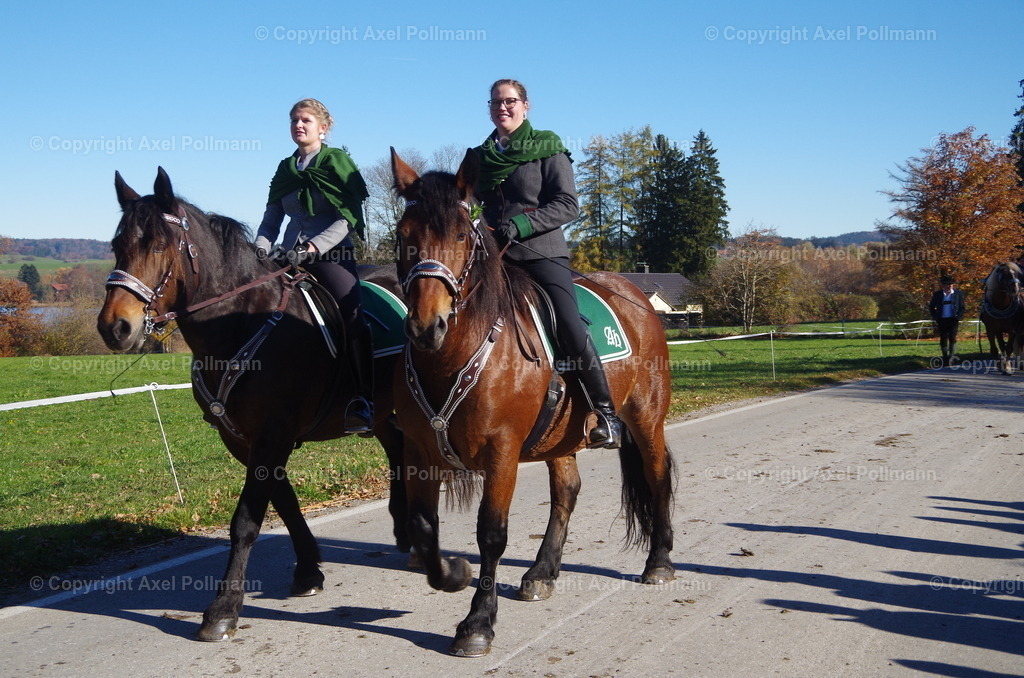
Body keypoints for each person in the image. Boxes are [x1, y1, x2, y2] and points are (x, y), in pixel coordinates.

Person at [473, 78, 622, 449]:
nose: (502, 108)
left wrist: (522, 223)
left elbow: (568, 204)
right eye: (495, 103)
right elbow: (471, 204)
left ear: (526, 106)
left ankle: (605, 414)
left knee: (569, 323)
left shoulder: (546, 147)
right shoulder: (478, 157)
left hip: (541, 253)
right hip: (495, 258)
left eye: (510, 101)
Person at [254, 98, 373, 434]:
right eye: (293, 120)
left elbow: (346, 218)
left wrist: (312, 247)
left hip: (330, 254)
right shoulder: (285, 169)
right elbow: (271, 219)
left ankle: (364, 398)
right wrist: (260, 251)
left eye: (305, 120)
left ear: (323, 127)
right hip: (287, 255)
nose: (298, 125)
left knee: (352, 316)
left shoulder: (338, 162)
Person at [928, 274, 965, 366]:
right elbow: (932, 307)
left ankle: (951, 357)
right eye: (947, 284)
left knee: (952, 337)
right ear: (943, 285)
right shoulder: (938, 294)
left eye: (951, 284)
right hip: (942, 319)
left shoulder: (957, 294)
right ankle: (945, 357)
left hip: (953, 319)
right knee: (943, 338)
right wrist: (935, 317)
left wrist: (958, 317)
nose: (949, 286)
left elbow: (962, 307)